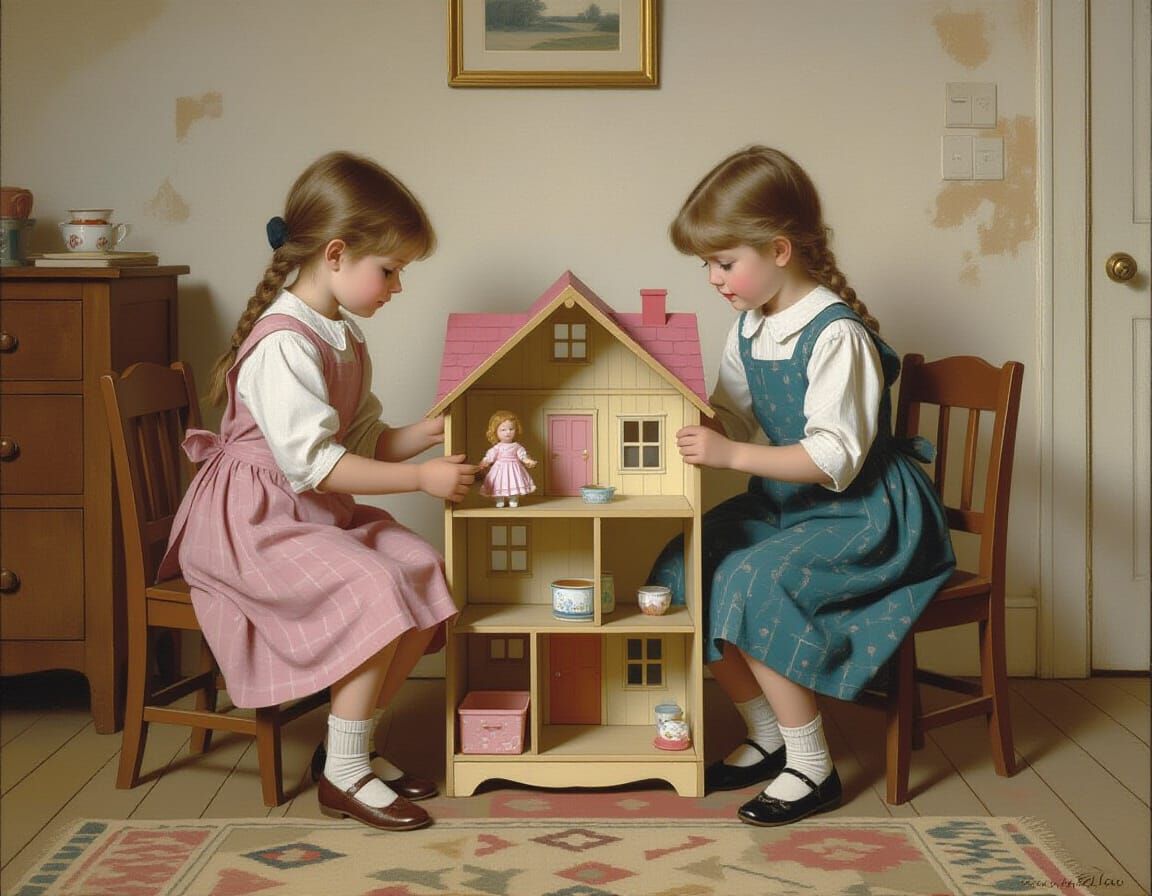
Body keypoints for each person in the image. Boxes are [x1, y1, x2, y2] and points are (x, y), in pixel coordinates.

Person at [159, 151, 479, 832]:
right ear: (336, 255)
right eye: (389, 270)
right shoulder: (284, 343)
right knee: (372, 586)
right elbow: (319, 466)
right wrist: (421, 480)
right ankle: (345, 775)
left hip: (308, 510)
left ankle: (348, 750)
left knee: (420, 567)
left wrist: (427, 434)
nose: (396, 286)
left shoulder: (341, 335)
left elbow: (361, 441)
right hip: (251, 524)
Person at [647, 145, 955, 826]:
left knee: (756, 581)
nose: (712, 278)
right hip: (790, 509)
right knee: (683, 566)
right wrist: (688, 413)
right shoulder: (750, 327)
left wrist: (727, 452)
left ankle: (811, 765)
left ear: (779, 249)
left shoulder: (835, 334)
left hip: (865, 515)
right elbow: (733, 415)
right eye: (706, 263)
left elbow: (831, 460)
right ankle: (765, 730)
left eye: (724, 262)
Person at [478, 410, 537, 508]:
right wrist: (485, 462)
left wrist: (528, 461)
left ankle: (513, 499)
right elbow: (490, 456)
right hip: (499, 468)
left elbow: (522, 456)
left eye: (511, 429)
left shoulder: (516, 446)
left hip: (514, 468)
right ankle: (499, 499)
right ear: (495, 432)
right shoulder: (497, 447)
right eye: (503, 430)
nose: (508, 432)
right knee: (499, 482)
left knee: (514, 481)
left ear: (516, 430)